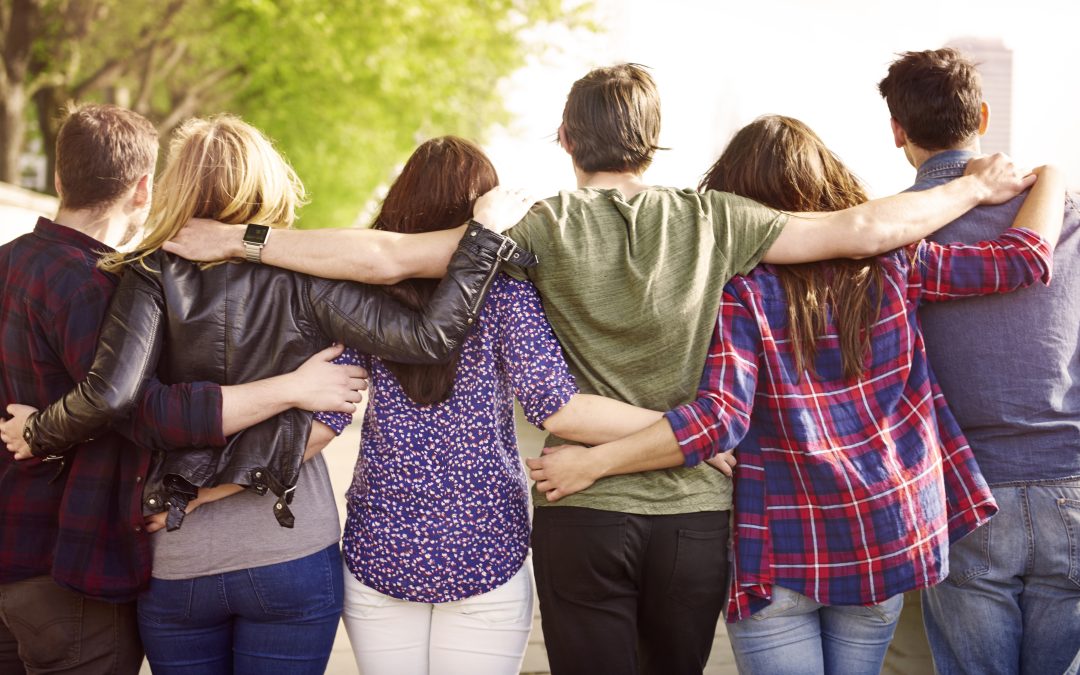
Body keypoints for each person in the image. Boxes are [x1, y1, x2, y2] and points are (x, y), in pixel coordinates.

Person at [161, 64, 1038, 675]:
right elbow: (864, 230)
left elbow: (388, 256)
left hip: (581, 510)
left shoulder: (543, 226)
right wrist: (972, 187)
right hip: (695, 513)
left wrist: (244, 238)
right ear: (653, 144)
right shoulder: (716, 219)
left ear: (565, 139)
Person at [525, 114, 1065, 674]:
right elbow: (1023, 259)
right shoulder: (896, 263)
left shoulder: (739, 291)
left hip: (779, 544)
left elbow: (720, 420)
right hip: (883, 535)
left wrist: (597, 462)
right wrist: (1051, 174)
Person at [6, 115, 535, 675]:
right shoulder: (308, 276)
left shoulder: (146, 274)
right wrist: (481, 240)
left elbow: (131, 405)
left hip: (179, 558)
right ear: (269, 180)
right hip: (290, 547)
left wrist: (43, 431)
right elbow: (427, 338)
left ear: (175, 183)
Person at [0, 104, 363, 675]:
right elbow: (144, 411)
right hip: (79, 560)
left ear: (59, 177)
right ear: (143, 188)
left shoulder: (36, 265)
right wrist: (292, 388)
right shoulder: (102, 285)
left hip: (64, 554)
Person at [311, 136, 663, 674]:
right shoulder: (505, 293)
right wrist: (682, 429)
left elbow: (326, 417)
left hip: (380, 546)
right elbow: (556, 405)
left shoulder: (362, 294)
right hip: (486, 547)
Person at [879, 48, 1080, 675]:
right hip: (1072, 480)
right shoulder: (1069, 215)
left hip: (963, 489)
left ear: (897, 131)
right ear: (983, 116)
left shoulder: (886, 234)